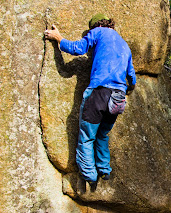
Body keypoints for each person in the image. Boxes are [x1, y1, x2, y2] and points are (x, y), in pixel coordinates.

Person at [44, 14, 136, 185]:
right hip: (119, 97)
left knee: (87, 136)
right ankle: (104, 170)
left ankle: (89, 176)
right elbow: (132, 76)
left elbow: (78, 48)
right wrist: (128, 88)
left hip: (99, 93)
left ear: (95, 26)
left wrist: (59, 38)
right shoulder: (124, 45)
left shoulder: (98, 32)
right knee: (102, 133)